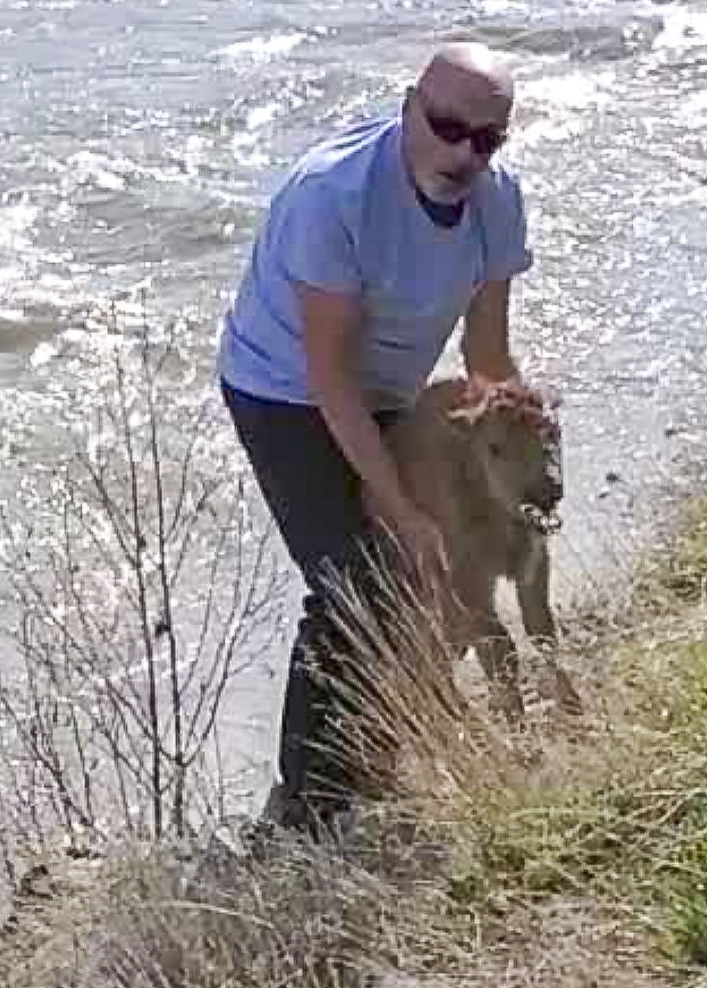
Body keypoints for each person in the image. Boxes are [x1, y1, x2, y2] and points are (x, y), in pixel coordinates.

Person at [215, 41, 535, 837]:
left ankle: (379, 752)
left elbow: (487, 357)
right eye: (447, 125)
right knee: (358, 578)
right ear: (408, 107)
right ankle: (304, 814)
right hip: (284, 389)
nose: (463, 151)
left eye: (485, 138)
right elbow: (330, 381)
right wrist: (400, 509)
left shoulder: (497, 203)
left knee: (447, 563)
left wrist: (520, 442)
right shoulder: (334, 196)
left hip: (391, 390)